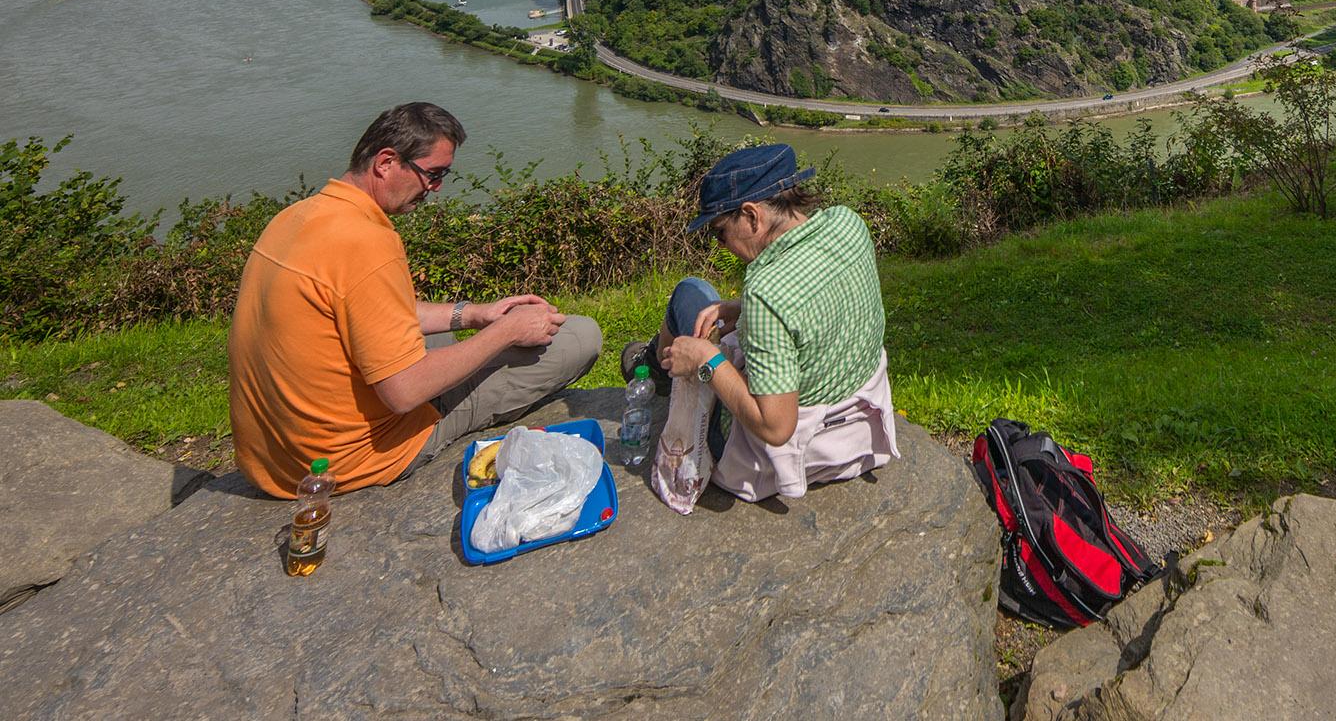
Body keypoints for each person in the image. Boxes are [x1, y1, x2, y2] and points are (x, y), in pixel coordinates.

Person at [228, 103, 602, 497]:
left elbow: (371, 315)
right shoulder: (368, 243)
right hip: (349, 459)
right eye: (432, 174)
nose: (435, 188)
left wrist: (475, 314)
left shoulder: (298, 217)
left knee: (442, 338)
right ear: (386, 162)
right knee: (580, 337)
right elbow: (403, 392)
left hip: (272, 459)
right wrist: (506, 331)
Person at [623, 143, 897, 502]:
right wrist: (741, 310)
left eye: (720, 232)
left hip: (781, 449)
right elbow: (817, 293)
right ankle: (660, 368)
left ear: (752, 216)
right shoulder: (847, 223)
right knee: (711, 306)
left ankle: (657, 370)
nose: (720, 245)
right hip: (855, 423)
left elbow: (776, 426)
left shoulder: (767, 291)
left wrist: (706, 361)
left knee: (691, 292)